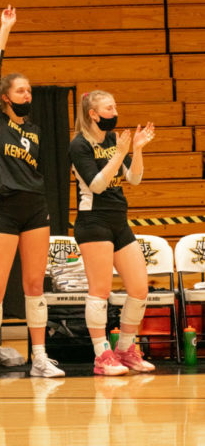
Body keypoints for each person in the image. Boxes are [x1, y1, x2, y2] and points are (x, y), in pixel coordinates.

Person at [0, 6, 63, 379]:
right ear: (6, 97)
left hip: (35, 207)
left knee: (34, 284)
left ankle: (40, 357)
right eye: (21, 90)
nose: (28, 94)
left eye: (29, 89)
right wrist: (4, 31)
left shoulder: (36, 131)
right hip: (3, 207)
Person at [70, 90, 156, 375]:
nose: (114, 111)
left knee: (139, 288)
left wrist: (137, 150)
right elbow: (95, 185)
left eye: (115, 106)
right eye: (109, 107)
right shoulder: (79, 145)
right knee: (101, 290)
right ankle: (102, 355)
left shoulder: (111, 139)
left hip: (119, 220)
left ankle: (126, 350)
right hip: (93, 221)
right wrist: (119, 154)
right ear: (93, 114)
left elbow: (135, 178)